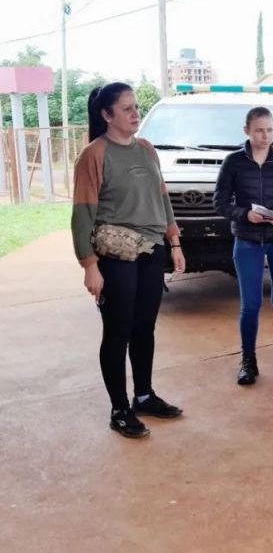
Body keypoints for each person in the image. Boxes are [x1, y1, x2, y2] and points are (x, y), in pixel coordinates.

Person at [71, 82, 185, 439]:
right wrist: (89, 265)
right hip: (116, 257)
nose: (136, 114)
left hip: (152, 252)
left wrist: (174, 242)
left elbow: (162, 199)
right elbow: (82, 215)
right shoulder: (94, 155)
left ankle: (144, 396)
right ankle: (119, 409)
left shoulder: (147, 150)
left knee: (144, 327)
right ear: (107, 115)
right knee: (117, 331)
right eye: (126, 108)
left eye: (136, 107)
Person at [213, 107, 273, 386]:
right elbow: (220, 202)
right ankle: (248, 360)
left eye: (269, 130)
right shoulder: (233, 162)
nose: (265, 136)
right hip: (247, 240)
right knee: (251, 304)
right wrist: (245, 214)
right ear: (247, 131)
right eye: (259, 130)